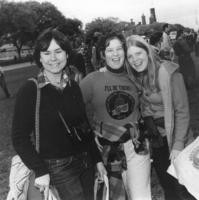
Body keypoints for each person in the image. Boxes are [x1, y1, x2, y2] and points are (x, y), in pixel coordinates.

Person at [12, 27, 106, 200]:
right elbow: (19, 138)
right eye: (46, 53)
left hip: (85, 161)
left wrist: (97, 159)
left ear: (67, 54)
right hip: (57, 167)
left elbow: (84, 126)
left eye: (58, 51)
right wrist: (40, 171)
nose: (53, 58)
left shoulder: (73, 86)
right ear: (39, 57)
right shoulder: (31, 90)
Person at [80, 32, 151, 200]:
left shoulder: (134, 76)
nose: (115, 54)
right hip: (107, 149)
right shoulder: (92, 79)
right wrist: (90, 134)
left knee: (140, 196)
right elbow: (73, 109)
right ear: (102, 54)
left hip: (136, 145)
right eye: (110, 49)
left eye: (119, 48)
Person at [126, 35, 196, 200]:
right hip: (157, 139)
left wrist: (178, 145)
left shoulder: (169, 73)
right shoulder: (138, 77)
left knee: (185, 188)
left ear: (147, 52)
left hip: (177, 138)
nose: (135, 59)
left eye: (138, 53)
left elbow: (182, 111)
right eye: (130, 56)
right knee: (167, 186)